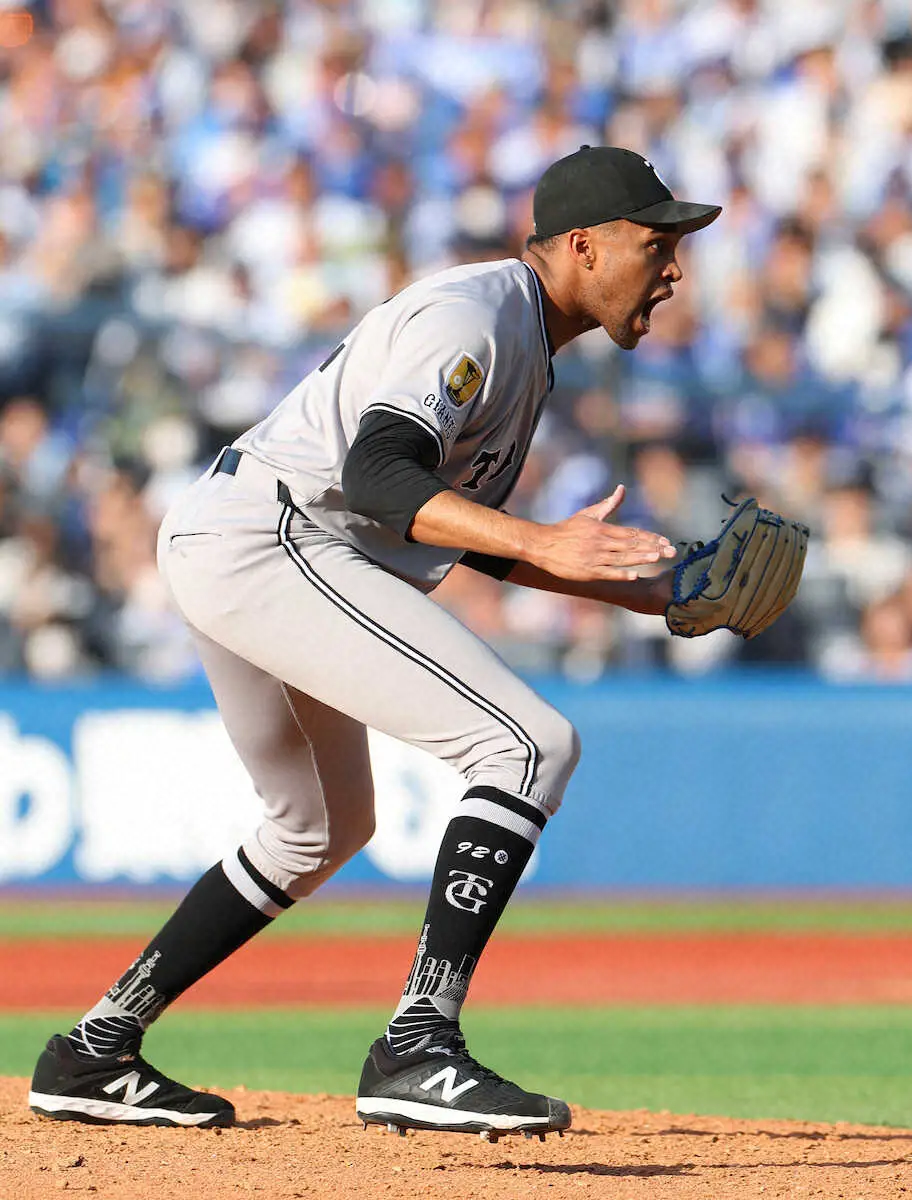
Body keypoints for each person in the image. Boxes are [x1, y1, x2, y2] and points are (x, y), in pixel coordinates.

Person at [28, 146, 722, 1139]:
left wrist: (641, 591)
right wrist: (542, 538)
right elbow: (380, 477)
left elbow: (453, 533)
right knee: (528, 745)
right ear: (583, 246)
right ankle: (417, 1045)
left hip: (251, 538)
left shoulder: (525, 344)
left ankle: (94, 1049)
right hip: (275, 538)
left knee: (317, 828)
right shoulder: (477, 314)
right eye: (654, 243)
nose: (673, 268)